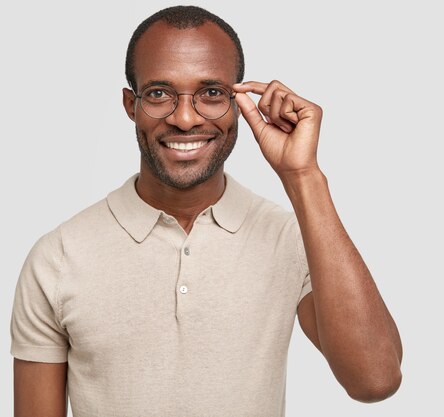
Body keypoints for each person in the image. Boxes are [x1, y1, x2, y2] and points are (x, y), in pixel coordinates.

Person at [10, 5, 403, 417]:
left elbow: (374, 380)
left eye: (211, 93)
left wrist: (303, 176)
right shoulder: (58, 257)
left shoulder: (292, 239)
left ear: (240, 103)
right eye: (159, 93)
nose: (184, 118)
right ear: (131, 104)